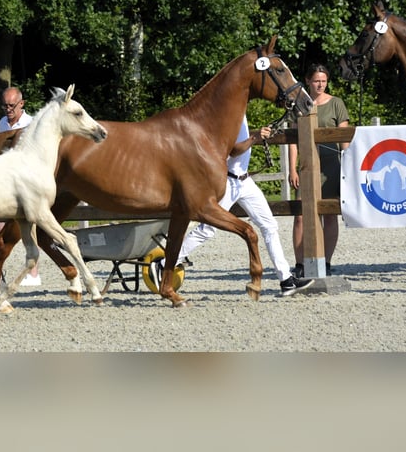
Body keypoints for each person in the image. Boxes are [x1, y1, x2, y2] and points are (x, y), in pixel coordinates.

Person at [149, 116, 314, 297]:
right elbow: (231, 150)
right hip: (227, 182)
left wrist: (259, 135)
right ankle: (164, 264)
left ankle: (286, 280)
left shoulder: (241, 115)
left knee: (269, 225)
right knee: (207, 229)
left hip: (245, 181)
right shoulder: (226, 115)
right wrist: (254, 138)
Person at [288, 63, 349, 277]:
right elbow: (293, 140)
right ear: (308, 81)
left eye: (323, 81)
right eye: (316, 81)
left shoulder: (336, 104)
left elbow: (344, 139)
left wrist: (348, 167)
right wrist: (292, 169)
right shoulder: (299, 104)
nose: (320, 84)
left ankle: (327, 261)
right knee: (300, 217)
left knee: (329, 215)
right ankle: (300, 264)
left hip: (331, 166)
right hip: (306, 166)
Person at [0, 86, 38, 285]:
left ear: (21, 104)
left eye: (11, 105)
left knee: (28, 226)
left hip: (27, 181)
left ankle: (34, 274)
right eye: (5, 105)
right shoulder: (2, 123)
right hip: (6, 180)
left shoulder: (31, 123)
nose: (8, 109)